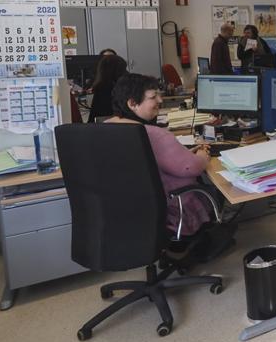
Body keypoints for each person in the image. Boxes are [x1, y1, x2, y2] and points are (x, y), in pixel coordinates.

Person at [104, 74, 212, 236]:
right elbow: (191, 167)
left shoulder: (105, 128)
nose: (160, 101)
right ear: (132, 103)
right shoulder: (154, 134)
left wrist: (184, 153)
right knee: (213, 186)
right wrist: (203, 155)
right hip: (171, 210)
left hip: (125, 209)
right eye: (153, 97)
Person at [88, 54, 129, 122]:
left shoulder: (100, 86)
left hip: (99, 125)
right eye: (123, 69)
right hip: (111, 124)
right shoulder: (114, 88)